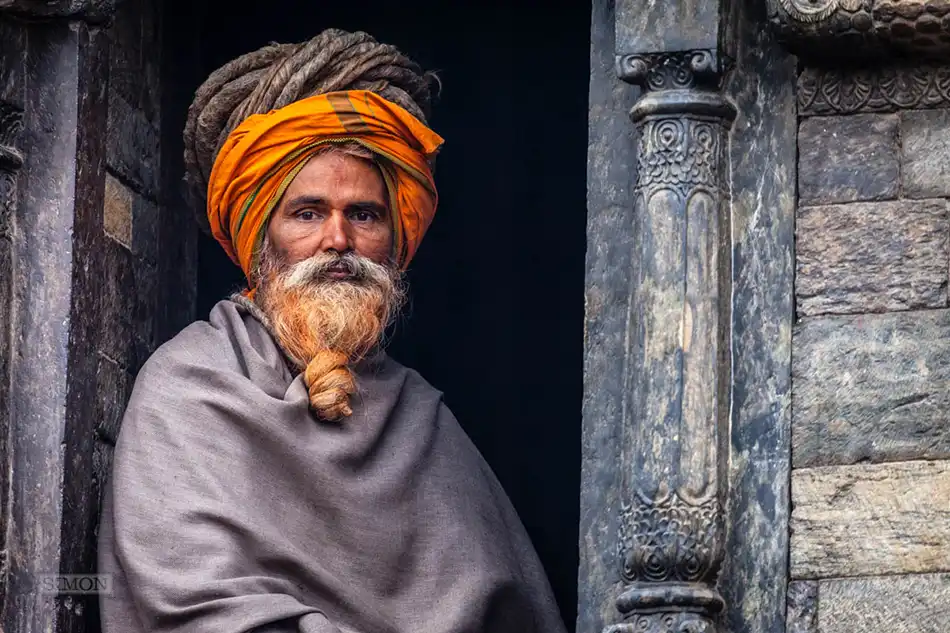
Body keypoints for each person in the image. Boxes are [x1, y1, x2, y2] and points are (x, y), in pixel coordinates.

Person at [97, 28, 567, 633]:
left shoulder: (423, 419)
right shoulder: (190, 388)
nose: (338, 240)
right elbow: (193, 603)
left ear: (397, 238)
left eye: (364, 215)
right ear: (260, 238)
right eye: (308, 213)